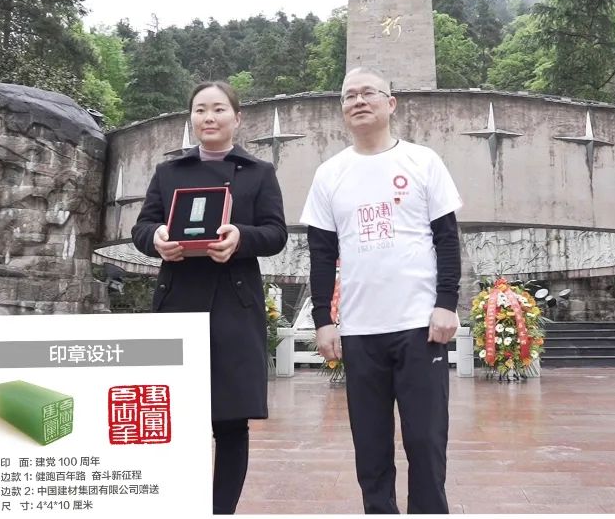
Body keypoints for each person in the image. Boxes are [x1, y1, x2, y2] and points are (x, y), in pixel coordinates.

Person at [300, 67, 462, 514]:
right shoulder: (330, 173)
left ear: (391, 103)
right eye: (349, 95)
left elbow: (447, 239)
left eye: (368, 92)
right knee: (370, 447)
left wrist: (446, 303)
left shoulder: (423, 161)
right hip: (359, 330)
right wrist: (323, 320)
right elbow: (321, 254)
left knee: (426, 441)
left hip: (419, 326)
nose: (358, 101)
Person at [131, 81, 287, 514]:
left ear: (237, 117)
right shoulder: (168, 172)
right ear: (191, 118)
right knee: (178, 417)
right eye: (200, 110)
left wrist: (241, 238)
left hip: (234, 307)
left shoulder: (259, 172)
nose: (209, 117)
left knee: (231, 420)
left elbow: (276, 233)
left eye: (218, 109)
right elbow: (142, 227)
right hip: (178, 302)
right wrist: (157, 238)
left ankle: (222, 511)